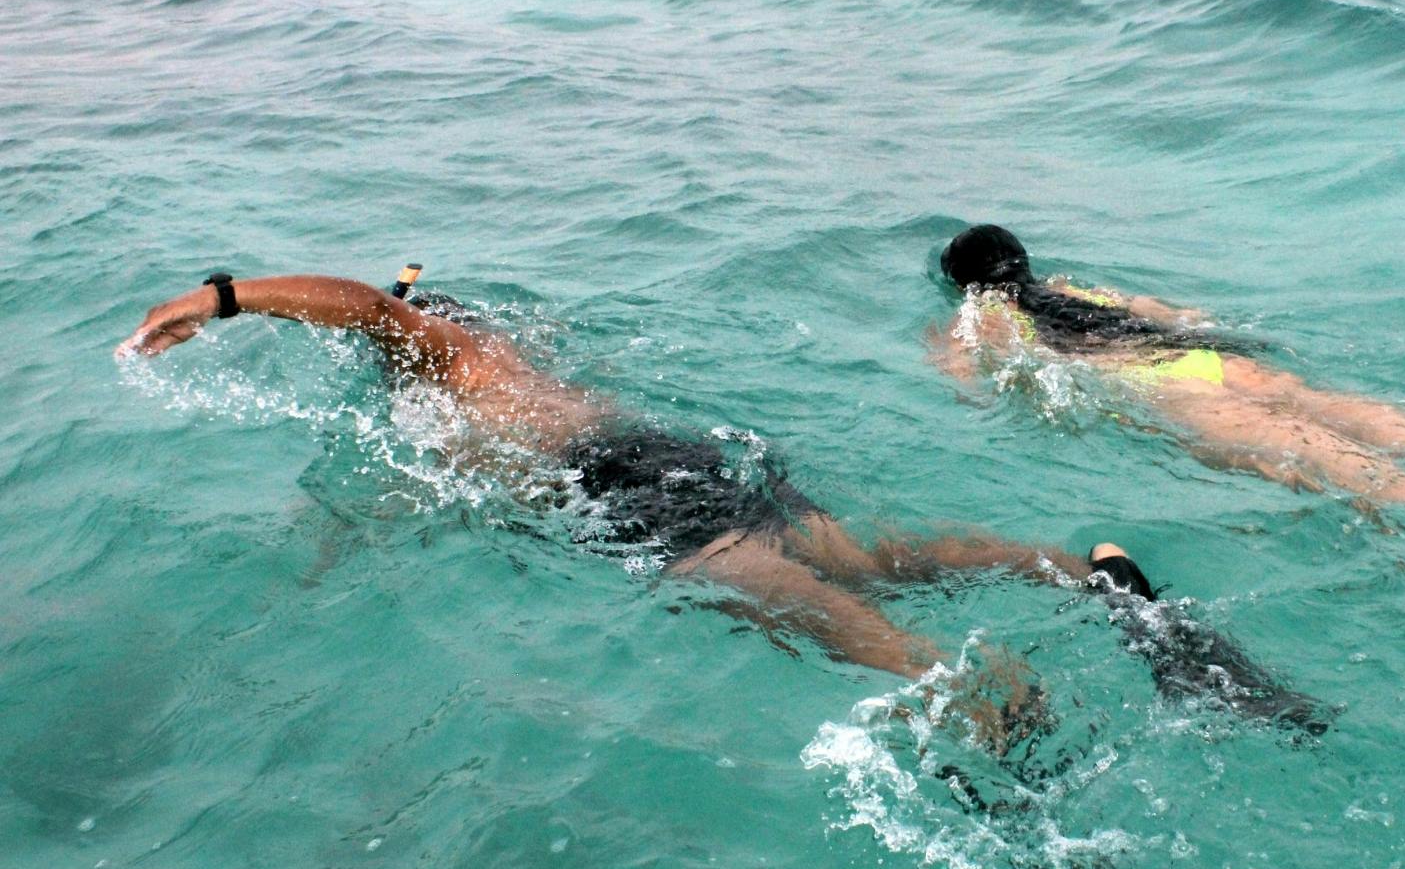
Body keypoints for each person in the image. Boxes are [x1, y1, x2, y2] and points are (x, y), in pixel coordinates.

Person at [117, 270, 1332, 738]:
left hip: (632, 490)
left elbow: (372, 311)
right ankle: (1084, 569)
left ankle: (963, 686)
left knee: (761, 593)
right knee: (870, 553)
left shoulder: (442, 361)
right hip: (687, 454)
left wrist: (225, 298)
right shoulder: (516, 367)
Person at [932, 225, 1405, 573]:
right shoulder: (1081, 288)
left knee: (1365, 477)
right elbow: (1179, 317)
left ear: (967, 282)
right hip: (1212, 361)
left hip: (1168, 388)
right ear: (1028, 260)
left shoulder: (987, 313)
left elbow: (973, 386)